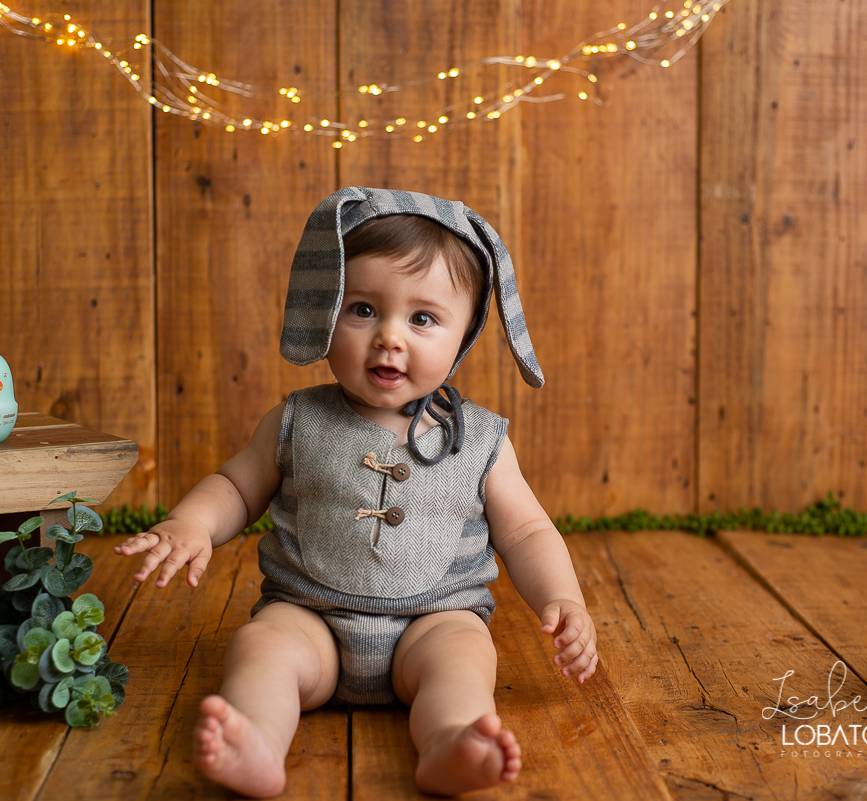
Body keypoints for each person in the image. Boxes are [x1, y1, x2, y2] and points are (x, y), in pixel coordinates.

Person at [116, 188, 598, 797]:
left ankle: (451, 740)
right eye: (363, 309)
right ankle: (256, 739)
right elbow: (236, 487)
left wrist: (565, 599)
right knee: (261, 646)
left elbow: (527, 531)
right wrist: (189, 522)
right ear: (324, 310)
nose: (389, 337)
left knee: (464, 657)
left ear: (465, 331)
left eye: (422, 318)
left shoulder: (481, 440)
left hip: (433, 621)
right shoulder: (296, 419)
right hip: (308, 618)